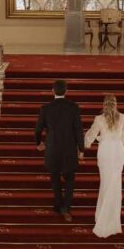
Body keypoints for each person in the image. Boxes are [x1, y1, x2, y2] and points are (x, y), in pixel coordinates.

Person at [35, 80, 84, 220]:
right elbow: (78, 130)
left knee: (55, 178)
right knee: (70, 179)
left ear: (52, 91)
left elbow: (38, 129)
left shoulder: (46, 108)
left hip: (52, 149)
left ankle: (58, 204)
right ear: (66, 91)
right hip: (69, 149)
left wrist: (39, 142)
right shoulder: (73, 107)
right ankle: (66, 207)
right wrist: (81, 148)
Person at [84, 94, 124, 238]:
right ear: (115, 104)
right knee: (115, 185)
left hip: (105, 151)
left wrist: (85, 144)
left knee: (105, 184)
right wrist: (118, 140)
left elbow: (90, 135)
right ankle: (112, 220)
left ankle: (101, 217)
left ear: (104, 104)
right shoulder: (122, 117)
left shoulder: (99, 119)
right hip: (117, 151)